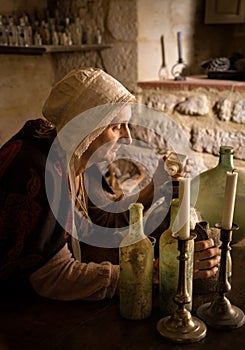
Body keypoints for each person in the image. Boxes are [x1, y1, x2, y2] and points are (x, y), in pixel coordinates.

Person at [0, 67, 220, 301]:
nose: (128, 138)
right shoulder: (39, 171)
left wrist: (154, 187)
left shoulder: (81, 155)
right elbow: (55, 277)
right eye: (116, 127)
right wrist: (156, 272)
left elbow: (103, 220)